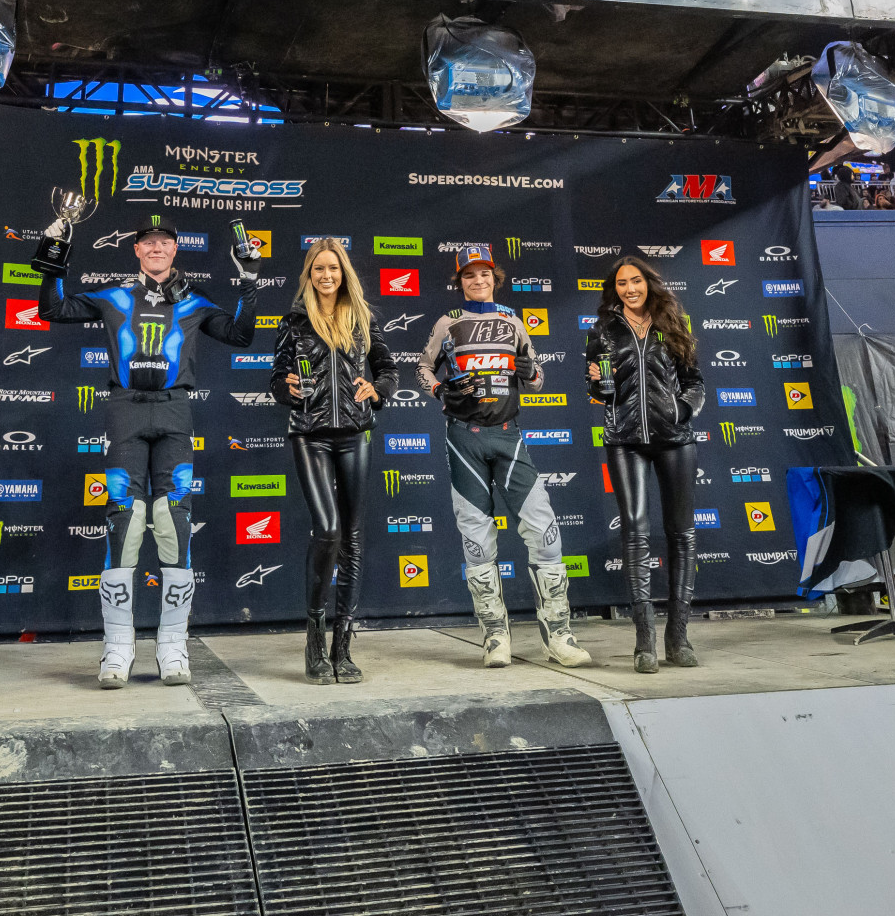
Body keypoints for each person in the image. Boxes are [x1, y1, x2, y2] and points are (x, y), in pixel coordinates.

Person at [41, 210, 260, 689]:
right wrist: (55, 256)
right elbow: (52, 310)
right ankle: (117, 650)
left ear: (175, 249)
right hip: (125, 410)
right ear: (136, 249)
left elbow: (242, 335)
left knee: (174, 517)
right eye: (148, 242)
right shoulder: (114, 294)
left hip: (176, 411)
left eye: (165, 242)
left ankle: (172, 647)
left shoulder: (194, 298)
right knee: (123, 519)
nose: (157, 248)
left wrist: (249, 283)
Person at [422, 245, 592, 670]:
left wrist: (526, 368)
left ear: (495, 278)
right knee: (477, 541)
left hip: (507, 435)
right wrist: (441, 391)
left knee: (544, 529)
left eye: (483, 274)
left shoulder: (513, 321)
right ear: (459, 281)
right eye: (468, 276)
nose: (476, 281)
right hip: (464, 439)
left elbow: (536, 381)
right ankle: (495, 636)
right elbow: (423, 368)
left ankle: (559, 635)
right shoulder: (449, 322)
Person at [269, 238, 394, 685]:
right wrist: (288, 389)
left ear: (344, 273)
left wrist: (378, 390)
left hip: (356, 435)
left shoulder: (362, 317)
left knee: (354, 540)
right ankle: (314, 638)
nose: (327, 276)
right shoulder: (295, 319)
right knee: (328, 530)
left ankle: (343, 646)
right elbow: (276, 379)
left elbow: (388, 367)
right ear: (309, 273)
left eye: (334, 268)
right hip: (310, 435)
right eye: (319, 268)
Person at [586, 255, 704, 673]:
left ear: (648, 283)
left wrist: (682, 411)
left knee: (681, 533)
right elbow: (595, 386)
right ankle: (644, 642)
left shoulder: (674, 322)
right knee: (635, 532)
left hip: (675, 440)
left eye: (635, 281)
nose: (629, 289)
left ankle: (679, 637)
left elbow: (694, 381)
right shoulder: (602, 329)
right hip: (624, 440)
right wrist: (599, 387)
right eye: (621, 284)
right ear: (614, 289)